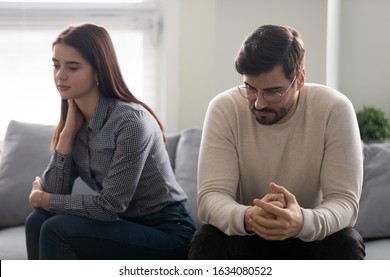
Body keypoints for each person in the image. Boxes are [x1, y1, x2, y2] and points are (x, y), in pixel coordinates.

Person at [188, 24, 365, 259]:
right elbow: (211, 198)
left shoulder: (335, 109)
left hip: (309, 236)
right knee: (207, 239)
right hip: (247, 235)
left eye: (273, 92)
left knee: (347, 242)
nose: (259, 103)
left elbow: (344, 202)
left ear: (300, 78)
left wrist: (301, 221)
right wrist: (249, 217)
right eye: (250, 88)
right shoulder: (224, 108)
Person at [25, 23, 196, 260]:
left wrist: (44, 198)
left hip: (167, 232)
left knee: (57, 228)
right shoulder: (75, 121)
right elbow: (55, 190)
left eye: (72, 67)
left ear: (98, 71)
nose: (59, 75)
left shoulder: (131, 122)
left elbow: (108, 207)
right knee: (38, 220)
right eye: (56, 65)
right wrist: (67, 135)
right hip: (124, 226)